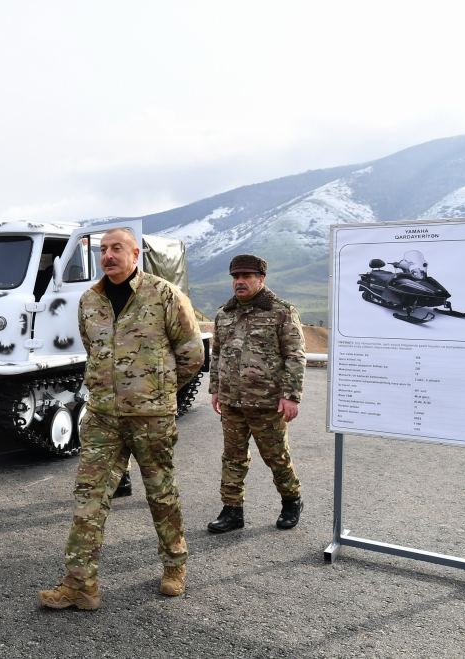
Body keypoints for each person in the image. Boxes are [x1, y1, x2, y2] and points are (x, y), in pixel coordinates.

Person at [39, 228, 204, 610]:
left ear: (134, 254)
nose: (108, 255)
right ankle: (80, 584)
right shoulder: (90, 300)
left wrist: (160, 390)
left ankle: (175, 566)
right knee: (89, 496)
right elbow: (93, 349)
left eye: (116, 249)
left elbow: (192, 353)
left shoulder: (163, 295)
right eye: (103, 250)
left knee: (161, 493)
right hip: (102, 417)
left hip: (152, 417)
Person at [206, 254, 306, 534]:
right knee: (232, 456)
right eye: (236, 277)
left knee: (276, 456)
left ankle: (291, 500)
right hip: (231, 401)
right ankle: (232, 510)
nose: (239, 282)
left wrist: (291, 395)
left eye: (246, 277)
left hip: (267, 402)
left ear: (261, 279)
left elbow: (295, 356)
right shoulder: (224, 314)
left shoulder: (281, 311)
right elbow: (216, 355)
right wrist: (215, 389)